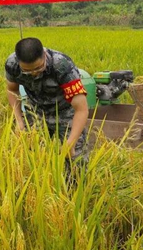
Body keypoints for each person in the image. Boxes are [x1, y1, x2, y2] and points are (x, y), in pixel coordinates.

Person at [5, 38, 89, 181]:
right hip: (36, 110)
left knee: (75, 159)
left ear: (44, 55)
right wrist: (19, 121)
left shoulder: (62, 65)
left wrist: (71, 142)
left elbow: (81, 109)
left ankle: (75, 194)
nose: (33, 73)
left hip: (65, 111)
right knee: (33, 155)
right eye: (27, 71)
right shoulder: (12, 64)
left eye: (38, 68)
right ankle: (43, 187)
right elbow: (12, 90)